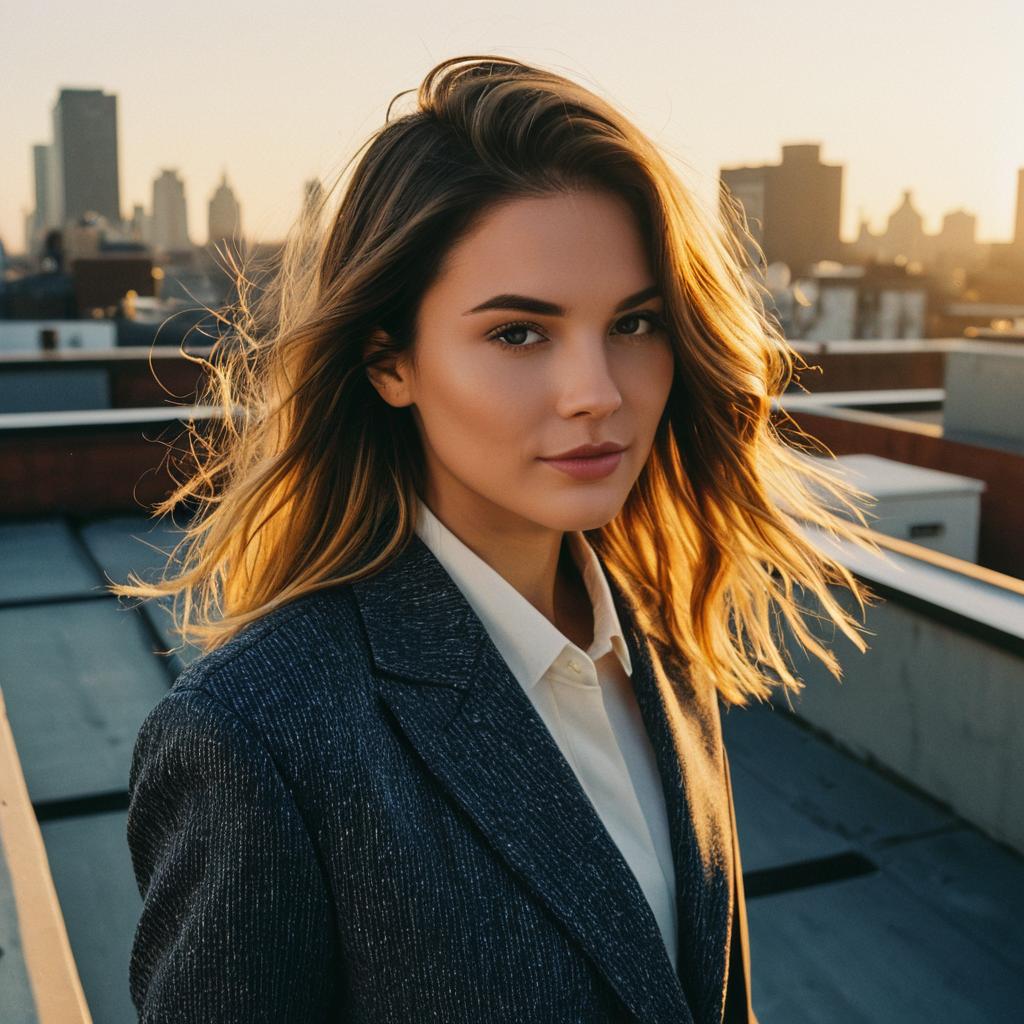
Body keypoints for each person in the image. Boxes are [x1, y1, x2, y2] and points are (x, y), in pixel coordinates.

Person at [116, 55, 877, 1023]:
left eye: (635, 321)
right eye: (520, 332)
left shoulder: (656, 637)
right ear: (389, 363)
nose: (597, 391)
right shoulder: (256, 736)